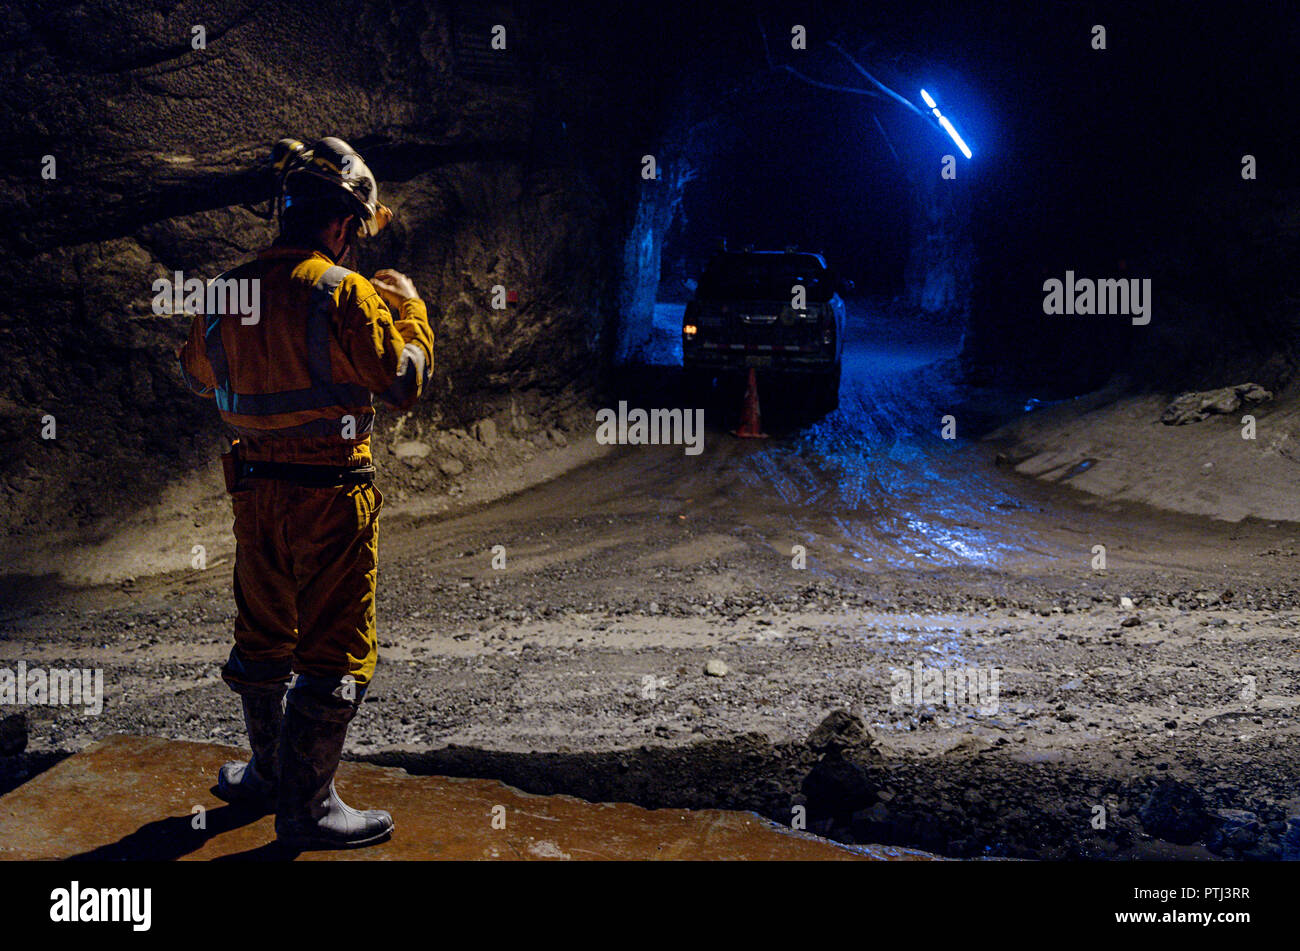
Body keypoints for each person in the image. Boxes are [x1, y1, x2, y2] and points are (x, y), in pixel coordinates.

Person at [178, 137, 434, 849]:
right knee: (334, 650)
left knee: (263, 635)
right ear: (342, 224)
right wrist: (409, 313)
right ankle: (308, 804)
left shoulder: (223, 294)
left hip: (255, 494)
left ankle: (268, 772)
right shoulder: (346, 293)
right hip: (332, 499)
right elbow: (405, 383)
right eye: (356, 228)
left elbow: (198, 373)